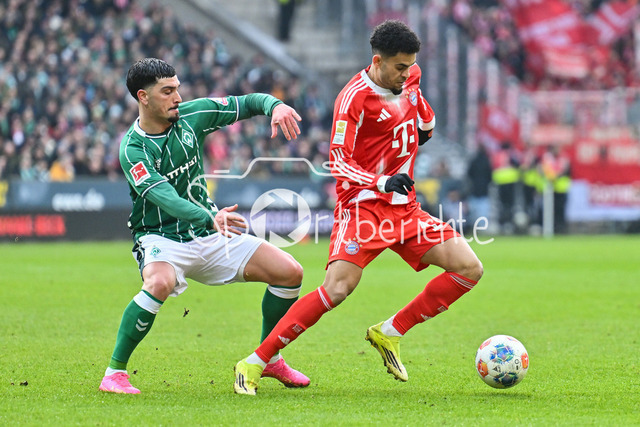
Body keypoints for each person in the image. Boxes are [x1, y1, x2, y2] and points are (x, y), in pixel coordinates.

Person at [233, 20, 483, 395]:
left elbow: (424, 123)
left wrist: (422, 121)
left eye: (411, 66)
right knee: (337, 289)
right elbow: (338, 160)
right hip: (363, 208)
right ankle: (254, 362)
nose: (407, 73)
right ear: (378, 61)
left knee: (469, 269)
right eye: (400, 67)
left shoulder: (409, 77)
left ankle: (390, 331)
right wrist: (381, 181)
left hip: (405, 209)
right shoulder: (353, 98)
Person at [99, 58, 310, 394]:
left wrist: (276, 106)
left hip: (210, 231)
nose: (177, 97)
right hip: (162, 236)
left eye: (177, 88)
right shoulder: (133, 149)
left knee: (290, 272)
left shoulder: (193, 115)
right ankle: (114, 373)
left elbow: (247, 103)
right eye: (167, 91)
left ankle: (269, 358)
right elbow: (165, 198)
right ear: (143, 97)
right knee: (159, 282)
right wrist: (209, 217)